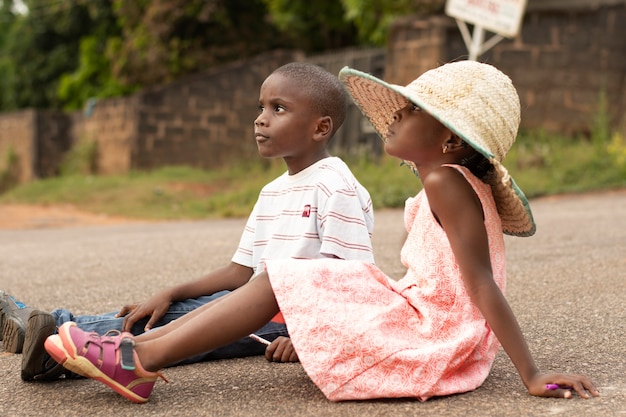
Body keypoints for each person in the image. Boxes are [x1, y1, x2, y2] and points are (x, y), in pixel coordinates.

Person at [44, 61, 599, 404]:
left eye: (409, 114)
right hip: (421, 314)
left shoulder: (444, 182)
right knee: (278, 279)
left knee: (283, 279)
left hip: (434, 332)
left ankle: (135, 359)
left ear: (450, 141)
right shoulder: (447, 179)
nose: (394, 120)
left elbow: (480, 286)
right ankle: (132, 352)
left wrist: (531, 372)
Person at [3, 61, 375, 382]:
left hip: (284, 320)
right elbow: (238, 272)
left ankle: (53, 336)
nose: (260, 118)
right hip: (248, 303)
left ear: (320, 128)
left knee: (186, 328)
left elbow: (350, 280)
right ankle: (56, 337)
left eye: (278, 109)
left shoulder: (334, 184)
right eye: (261, 106)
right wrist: (173, 291)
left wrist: (310, 336)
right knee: (171, 312)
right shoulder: (272, 191)